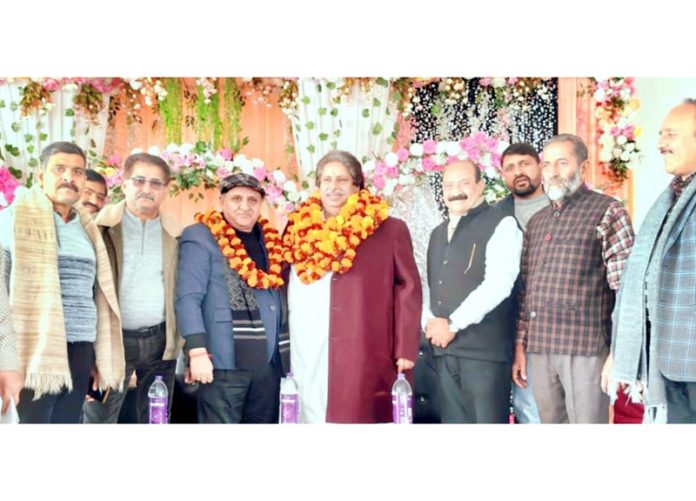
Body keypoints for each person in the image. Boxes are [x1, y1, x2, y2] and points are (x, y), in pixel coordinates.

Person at [283, 150, 421, 423]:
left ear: (357, 186)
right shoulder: (295, 227)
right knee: (308, 415)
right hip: (306, 344)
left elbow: (409, 288)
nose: (333, 188)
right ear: (318, 185)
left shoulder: (388, 229)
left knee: (356, 416)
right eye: (326, 180)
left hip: (362, 345)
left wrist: (405, 348)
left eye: (342, 180)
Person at [512, 134, 634, 424]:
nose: (552, 172)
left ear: (585, 168)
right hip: (540, 349)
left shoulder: (608, 211)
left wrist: (620, 351)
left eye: (562, 163)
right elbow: (527, 289)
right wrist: (520, 345)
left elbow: (627, 290)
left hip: (586, 350)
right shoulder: (538, 221)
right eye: (547, 164)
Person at [0, 141, 124, 423]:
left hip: (80, 353)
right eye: (59, 169)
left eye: (78, 171)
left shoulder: (87, 229)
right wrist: (6, 364)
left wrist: (95, 358)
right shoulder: (9, 221)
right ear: (40, 177)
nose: (69, 177)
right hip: (31, 356)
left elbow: (93, 296)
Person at [176, 173, 287, 424]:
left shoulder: (270, 239)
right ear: (222, 201)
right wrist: (196, 352)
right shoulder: (201, 236)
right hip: (224, 359)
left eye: (253, 199)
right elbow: (188, 298)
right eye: (236, 198)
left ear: (261, 204)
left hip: (269, 362)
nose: (245, 206)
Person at [611, 99, 696, 423]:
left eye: (671, 134)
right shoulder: (671, 197)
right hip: (668, 356)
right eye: (661, 134)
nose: (661, 144)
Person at [82, 152, 182, 424]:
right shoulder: (98, 228)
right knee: (98, 419)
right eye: (139, 181)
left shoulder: (177, 233)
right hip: (111, 341)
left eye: (156, 183)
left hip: (161, 341)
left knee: (156, 419)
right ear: (124, 184)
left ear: (165, 190)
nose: (147, 189)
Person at [423, 160, 522, 423]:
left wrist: (453, 325)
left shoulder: (502, 224)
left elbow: (499, 284)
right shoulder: (437, 233)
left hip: (484, 355)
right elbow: (431, 286)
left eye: (464, 183)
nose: (455, 191)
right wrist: (431, 325)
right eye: (449, 185)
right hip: (445, 352)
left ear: (480, 186)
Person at [498, 142, 549, 424]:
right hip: (511, 324)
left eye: (525, 164)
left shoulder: (562, 205)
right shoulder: (494, 216)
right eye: (510, 167)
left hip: (556, 325)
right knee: (526, 406)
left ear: (540, 166)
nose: (518, 172)